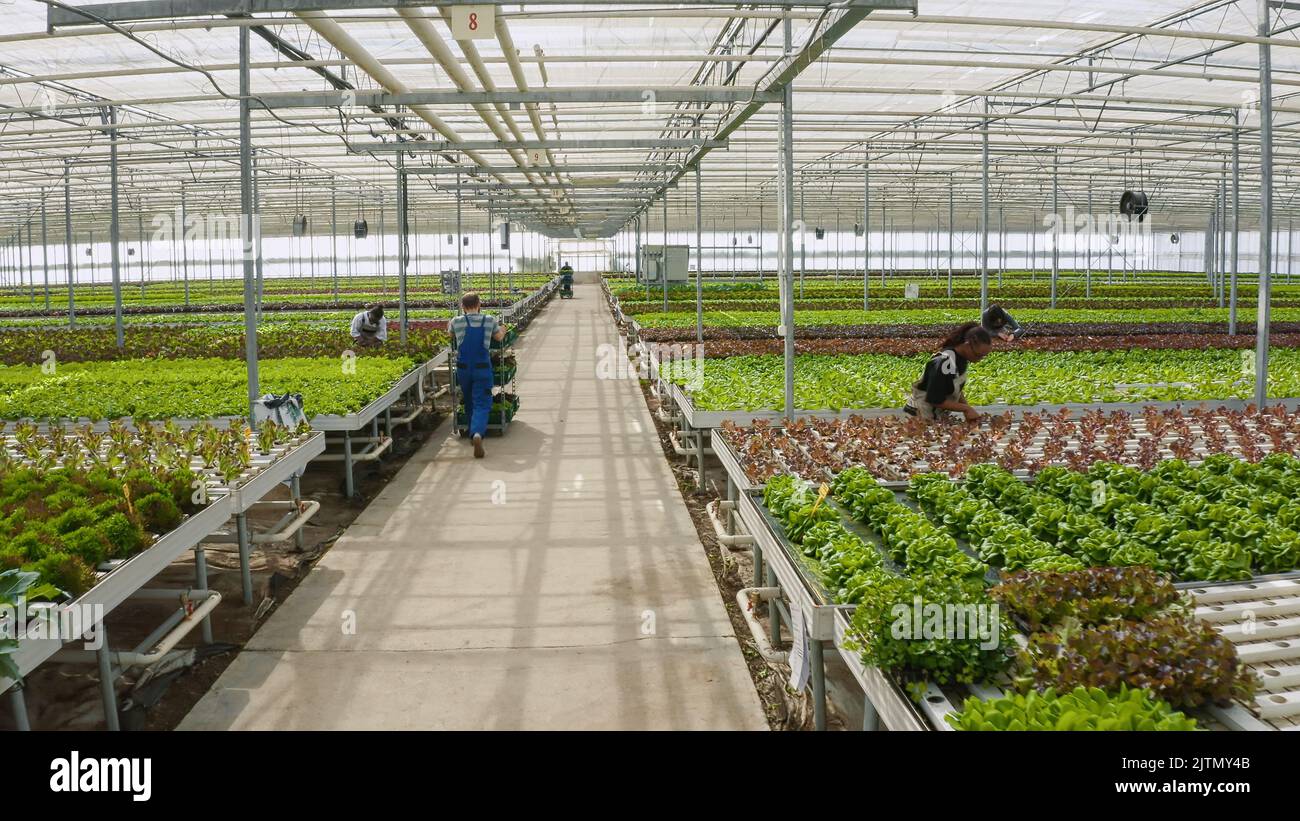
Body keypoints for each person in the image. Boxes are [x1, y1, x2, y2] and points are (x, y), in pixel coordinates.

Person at [450, 292, 506, 458]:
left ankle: (470, 431)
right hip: (482, 367)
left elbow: (451, 337)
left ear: (462, 306)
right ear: (479, 304)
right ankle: (477, 434)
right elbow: (499, 337)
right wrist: (503, 329)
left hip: (463, 368)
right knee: (482, 402)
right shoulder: (489, 320)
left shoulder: (455, 321)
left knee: (468, 400)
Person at [903, 322, 994, 423]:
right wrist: (966, 409)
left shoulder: (961, 359)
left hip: (934, 414)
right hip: (919, 415)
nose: (980, 359)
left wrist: (967, 408)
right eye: (978, 355)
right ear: (967, 345)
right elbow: (935, 399)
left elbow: (955, 388)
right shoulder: (944, 362)